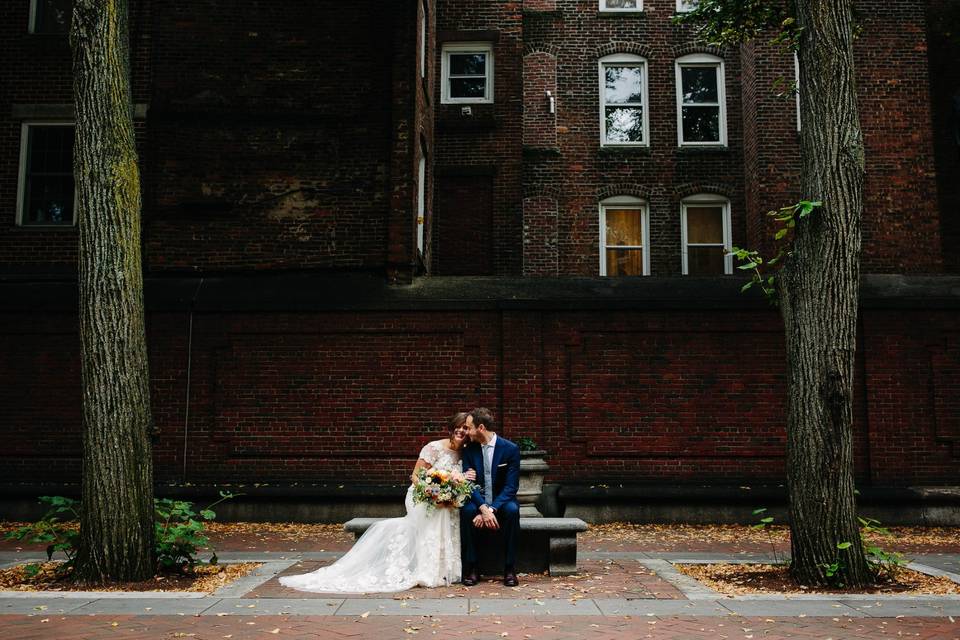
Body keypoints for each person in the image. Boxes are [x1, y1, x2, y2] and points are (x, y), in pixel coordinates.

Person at [279, 413, 475, 593]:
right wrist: (433, 495)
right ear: (451, 428)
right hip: (422, 496)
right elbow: (415, 477)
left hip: (445, 499)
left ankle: (446, 570)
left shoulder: (465, 452)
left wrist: (449, 494)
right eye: (458, 427)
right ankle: (429, 570)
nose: (461, 431)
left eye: (465, 428)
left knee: (451, 511)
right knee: (438, 513)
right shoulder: (433, 448)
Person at [459, 407, 521, 587]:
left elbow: (511, 487)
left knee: (512, 510)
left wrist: (492, 508)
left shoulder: (510, 449)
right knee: (467, 511)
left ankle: (509, 569)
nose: (466, 431)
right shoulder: (469, 450)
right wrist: (482, 508)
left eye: (468, 427)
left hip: (501, 501)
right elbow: (468, 484)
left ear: (480, 428)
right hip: (478, 500)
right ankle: (472, 568)